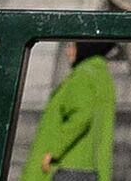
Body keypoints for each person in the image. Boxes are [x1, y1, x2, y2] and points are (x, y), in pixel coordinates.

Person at [16, 45, 115, 181]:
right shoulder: (102, 76)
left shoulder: (82, 75)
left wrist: (53, 151)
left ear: (83, 49)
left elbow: (81, 115)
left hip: (67, 166)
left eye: (72, 46)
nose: (68, 52)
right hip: (90, 166)